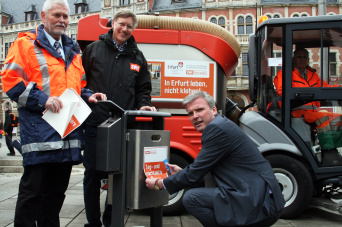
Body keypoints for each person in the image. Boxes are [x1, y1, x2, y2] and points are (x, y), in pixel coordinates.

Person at [0, 0, 106, 226]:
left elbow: (79, 86)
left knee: (56, 196)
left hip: (67, 136)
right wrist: (43, 100)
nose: (62, 20)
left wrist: (88, 95)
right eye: (57, 15)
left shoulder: (73, 51)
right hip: (40, 135)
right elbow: (9, 82)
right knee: (32, 194)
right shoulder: (25, 45)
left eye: (66, 16)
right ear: (43, 16)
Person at [146, 91, 285, 227]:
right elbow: (202, 171)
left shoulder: (217, 129)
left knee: (192, 198)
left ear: (213, 110)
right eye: (190, 113)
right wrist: (182, 172)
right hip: (260, 197)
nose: (195, 116)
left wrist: (160, 183)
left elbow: (194, 172)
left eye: (199, 110)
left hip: (260, 203)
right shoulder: (220, 124)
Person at [81, 9, 156, 227]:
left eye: (129, 26)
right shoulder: (93, 50)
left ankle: (111, 220)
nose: (125, 29)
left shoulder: (137, 56)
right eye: (121, 24)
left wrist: (144, 105)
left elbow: (143, 88)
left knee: (118, 177)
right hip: (96, 124)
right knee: (92, 176)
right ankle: (93, 222)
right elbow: (80, 82)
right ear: (113, 23)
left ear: (134, 29)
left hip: (124, 126)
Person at [273, 48, 341, 150]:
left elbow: (326, 88)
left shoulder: (312, 74)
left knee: (339, 118)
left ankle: (335, 148)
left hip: (313, 113)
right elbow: (281, 91)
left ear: (308, 60)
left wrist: (339, 87)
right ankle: (328, 151)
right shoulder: (285, 74)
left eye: (305, 57)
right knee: (322, 119)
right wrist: (303, 94)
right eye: (299, 57)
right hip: (295, 112)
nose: (302, 59)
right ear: (293, 59)